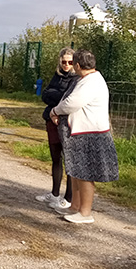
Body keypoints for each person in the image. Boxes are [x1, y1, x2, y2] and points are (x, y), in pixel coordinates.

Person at [50, 49, 119, 224]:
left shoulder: (91, 82)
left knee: (85, 173)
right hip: (82, 132)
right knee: (76, 172)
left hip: (89, 134)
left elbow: (72, 102)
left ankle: (85, 212)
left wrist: (55, 110)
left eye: (72, 63)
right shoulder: (88, 79)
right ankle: (75, 207)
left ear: (78, 65)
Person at [35, 47, 76, 209]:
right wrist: (58, 98)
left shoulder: (77, 79)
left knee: (69, 160)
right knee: (55, 158)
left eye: (70, 62)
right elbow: (45, 95)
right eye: (64, 61)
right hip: (51, 120)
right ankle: (54, 194)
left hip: (68, 123)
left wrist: (56, 97)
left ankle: (69, 198)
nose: (66, 65)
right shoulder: (57, 76)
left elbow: (70, 100)